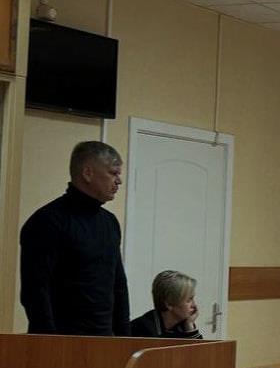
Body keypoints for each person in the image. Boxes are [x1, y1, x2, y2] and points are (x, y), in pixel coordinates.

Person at [20, 141, 130, 336]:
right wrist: (49, 343)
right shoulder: (48, 221)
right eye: (113, 173)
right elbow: (35, 291)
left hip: (105, 339)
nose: (119, 181)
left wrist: (124, 339)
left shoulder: (110, 222)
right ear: (88, 173)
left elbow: (118, 285)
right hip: (62, 340)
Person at [130, 270, 202, 339]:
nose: (194, 305)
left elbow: (200, 348)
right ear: (169, 304)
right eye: (189, 300)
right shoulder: (143, 329)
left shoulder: (184, 324)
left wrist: (190, 326)